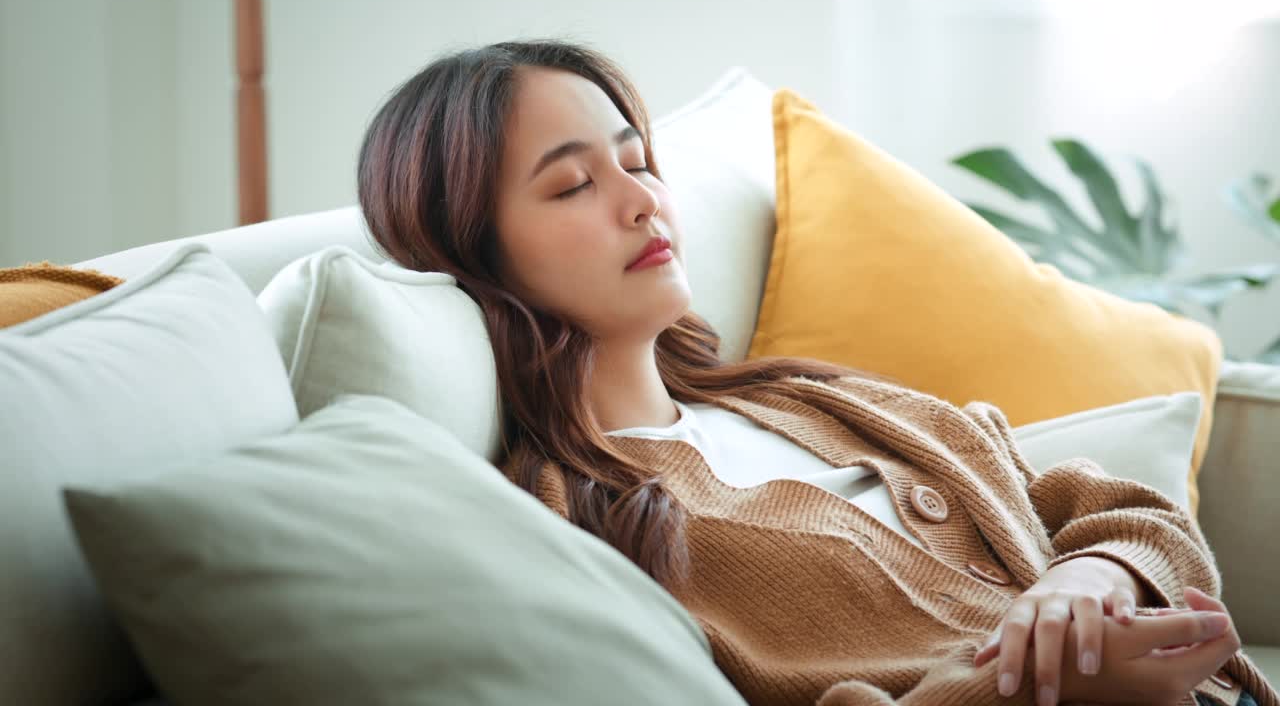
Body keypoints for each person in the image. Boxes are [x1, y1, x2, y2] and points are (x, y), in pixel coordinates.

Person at [355, 39, 1273, 706]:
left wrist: (1093, 580)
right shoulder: (564, 518)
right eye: (572, 185)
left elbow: (1112, 506)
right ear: (471, 252)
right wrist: (1040, 686)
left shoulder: (820, 400)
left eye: (637, 162)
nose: (642, 201)